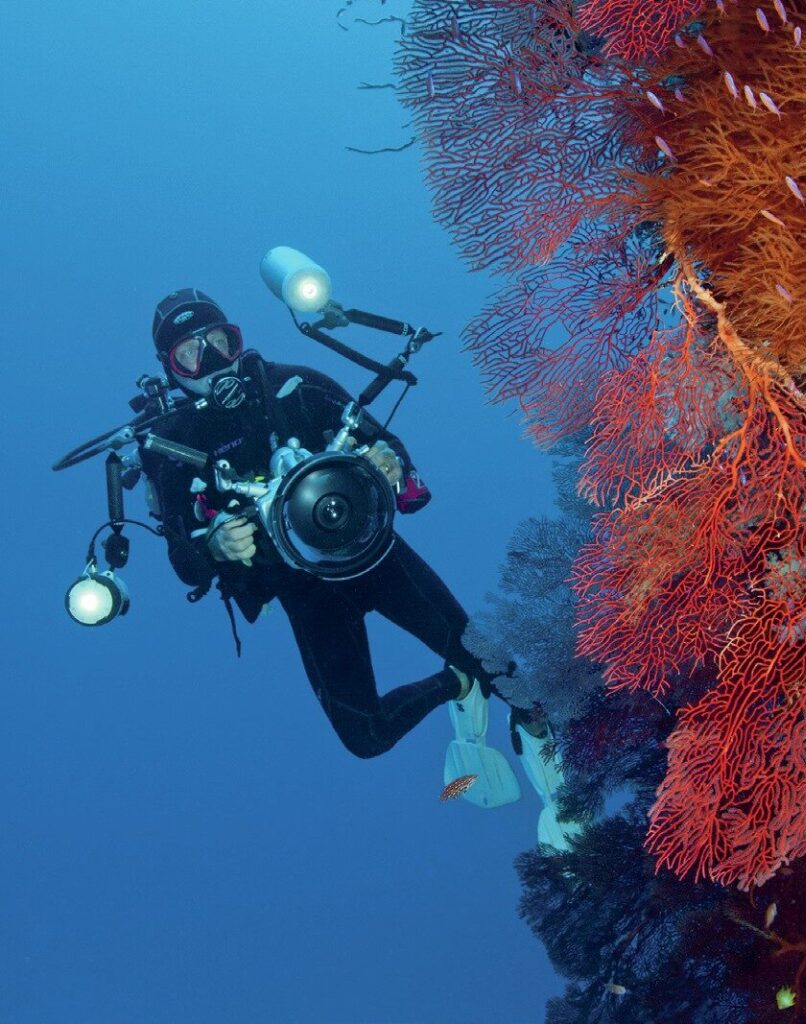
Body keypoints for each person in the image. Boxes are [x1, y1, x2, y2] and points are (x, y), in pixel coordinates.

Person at [141, 289, 578, 850]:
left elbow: (397, 461)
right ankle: (456, 683)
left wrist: (392, 466)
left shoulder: (293, 385)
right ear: (171, 371)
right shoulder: (168, 445)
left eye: (218, 343)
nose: (211, 362)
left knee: (503, 667)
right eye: (190, 355)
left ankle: (552, 762)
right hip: (303, 591)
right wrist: (217, 547)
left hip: (375, 555)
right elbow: (183, 563)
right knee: (366, 737)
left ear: (237, 340)